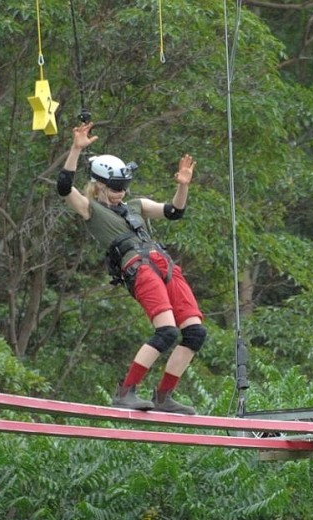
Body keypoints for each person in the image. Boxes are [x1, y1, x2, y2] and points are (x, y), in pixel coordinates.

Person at [56, 121, 206, 414]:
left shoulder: (136, 205)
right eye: (114, 188)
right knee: (166, 333)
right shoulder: (91, 208)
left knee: (195, 334)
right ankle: (125, 391)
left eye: (123, 187)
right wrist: (75, 149)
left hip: (165, 265)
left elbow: (174, 212)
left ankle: (164, 396)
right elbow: (64, 187)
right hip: (138, 268)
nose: (120, 193)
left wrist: (182, 186)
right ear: (99, 185)